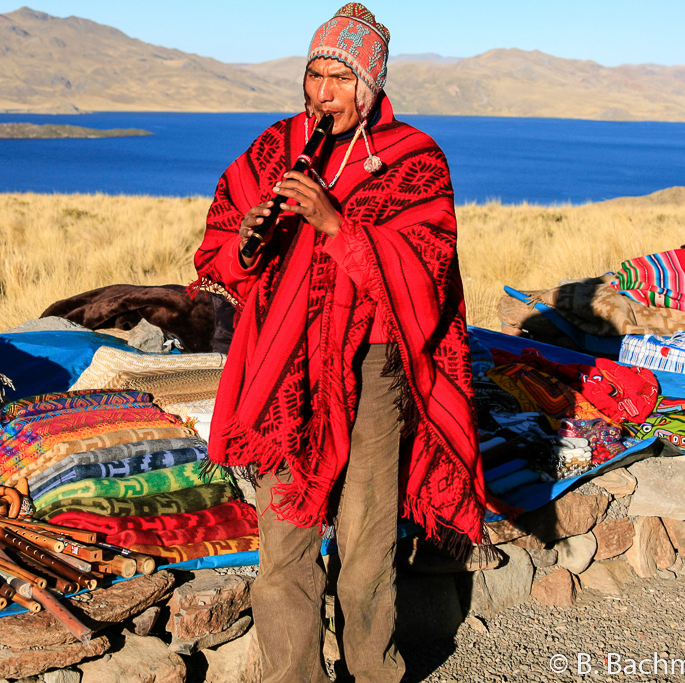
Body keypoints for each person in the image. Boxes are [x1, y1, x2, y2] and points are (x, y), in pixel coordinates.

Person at [192, 4, 487, 682]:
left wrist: (333, 222)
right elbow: (218, 245)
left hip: (376, 365)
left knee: (366, 534)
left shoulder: (415, 158)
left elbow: (427, 267)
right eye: (313, 74)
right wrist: (247, 239)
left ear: (371, 85)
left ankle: (374, 668)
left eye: (339, 77)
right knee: (285, 538)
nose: (322, 92)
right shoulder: (275, 146)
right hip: (285, 366)